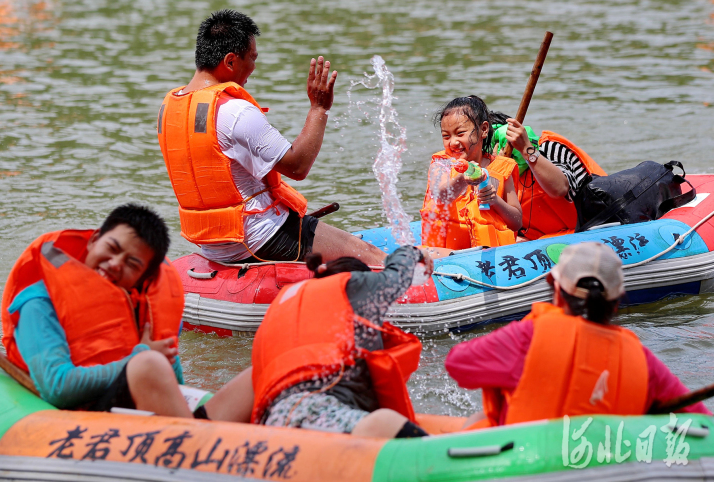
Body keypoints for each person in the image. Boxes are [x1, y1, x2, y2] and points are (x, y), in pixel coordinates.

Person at [156, 10, 385, 266]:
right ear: (230, 61)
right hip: (258, 237)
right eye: (252, 58)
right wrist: (319, 108)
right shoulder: (235, 112)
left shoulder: (169, 107)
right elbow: (297, 166)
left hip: (211, 242)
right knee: (375, 258)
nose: (254, 67)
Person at [1, 204, 253, 422]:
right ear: (93, 240)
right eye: (111, 247)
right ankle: (198, 446)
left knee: (257, 372)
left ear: (143, 276)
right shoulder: (39, 302)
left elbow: (174, 382)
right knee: (147, 363)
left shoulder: (145, 304)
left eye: (132, 263)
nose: (115, 263)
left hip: (149, 413)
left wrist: (157, 357)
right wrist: (141, 356)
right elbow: (57, 386)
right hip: (89, 417)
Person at [445, 242, 711, 430]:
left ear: (555, 287)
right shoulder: (641, 358)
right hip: (610, 469)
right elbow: (702, 421)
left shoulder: (528, 335)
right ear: (617, 301)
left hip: (528, 464)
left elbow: (457, 365)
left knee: (477, 420)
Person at [250, 246, 433, 438]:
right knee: (386, 420)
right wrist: (413, 252)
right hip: (316, 416)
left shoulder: (293, 309)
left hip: (273, 417)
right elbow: (397, 276)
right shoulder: (354, 286)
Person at [420, 96, 522, 254]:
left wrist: (495, 201)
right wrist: (462, 178)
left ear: (484, 130)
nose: (453, 142)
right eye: (446, 136)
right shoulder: (441, 165)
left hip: (487, 257)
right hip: (445, 254)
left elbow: (516, 223)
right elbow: (439, 196)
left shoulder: (502, 169)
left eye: (460, 133)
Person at [489, 112, 607, 240]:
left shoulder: (549, 149)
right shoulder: (492, 177)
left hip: (595, 229)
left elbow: (560, 188)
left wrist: (526, 149)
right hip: (549, 243)